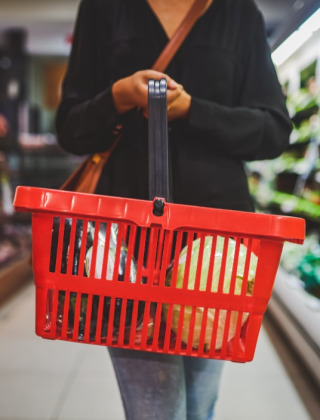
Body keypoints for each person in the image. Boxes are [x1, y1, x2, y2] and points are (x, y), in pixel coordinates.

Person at [56, 0, 292, 419]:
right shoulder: (102, 9)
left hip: (217, 254)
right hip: (126, 246)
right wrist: (118, 96)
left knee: (200, 408)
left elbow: (273, 130)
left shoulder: (238, 13)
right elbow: (70, 128)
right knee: (156, 412)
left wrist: (192, 111)